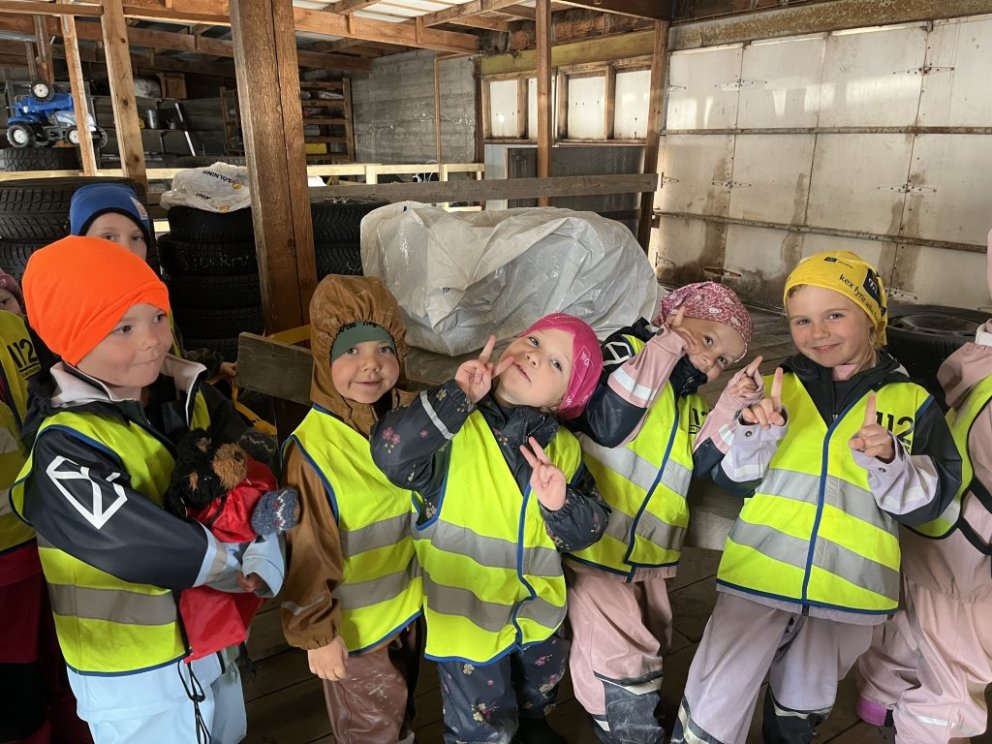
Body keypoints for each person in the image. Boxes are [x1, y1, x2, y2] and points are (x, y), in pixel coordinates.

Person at [670, 250, 961, 744]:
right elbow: (733, 479)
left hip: (849, 592)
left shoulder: (912, 402)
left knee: (802, 703)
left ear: (872, 318)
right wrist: (753, 434)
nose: (817, 332)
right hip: (758, 574)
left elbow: (932, 506)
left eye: (835, 314)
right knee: (715, 695)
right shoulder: (773, 389)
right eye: (801, 320)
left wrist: (891, 461)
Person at [8, 236, 284, 743]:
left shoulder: (188, 396)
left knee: (226, 732)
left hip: (209, 639)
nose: (153, 340)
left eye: (157, 316)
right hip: (133, 670)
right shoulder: (65, 446)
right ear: (71, 339)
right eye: (123, 328)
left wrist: (265, 539)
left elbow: (251, 467)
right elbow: (130, 539)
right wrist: (237, 565)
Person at [370, 313, 608, 744]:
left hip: (538, 619)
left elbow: (588, 530)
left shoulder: (564, 451)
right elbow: (392, 454)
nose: (535, 357)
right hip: (469, 624)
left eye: (557, 364)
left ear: (564, 399)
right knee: (481, 728)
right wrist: (456, 396)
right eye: (534, 341)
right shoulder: (450, 431)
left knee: (537, 697)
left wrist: (561, 505)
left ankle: (534, 726)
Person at [567, 282, 754, 743]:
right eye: (707, 340)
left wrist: (733, 405)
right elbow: (610, 424)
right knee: (617, 654)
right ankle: (628, 727)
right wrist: (667, 344)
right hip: (596, 547)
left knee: (651, 638)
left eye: (723, 361)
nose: (711, 362)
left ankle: (630, 709)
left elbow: (700, 461)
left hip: (649, 556)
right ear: (676, 314)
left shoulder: (688, 400)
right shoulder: (627, 351)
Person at [855, 230, 992, 742]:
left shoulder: (981, 365)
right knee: (954, 679)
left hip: (930, 529)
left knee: (909, 626)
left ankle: (879, 699)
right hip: (969, 563)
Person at [279, 274, 422, 744]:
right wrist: (317, 634)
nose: (370, 364)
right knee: (372, 730)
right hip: (354, 630)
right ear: (324, 357)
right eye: (351, 350)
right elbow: (305, 552)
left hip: (406, 610)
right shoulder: (313, 452)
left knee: (399, 712)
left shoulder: (406, 422)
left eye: (384, 349)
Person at [0, 307, 91, 744]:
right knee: (29, 677)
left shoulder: (14, 325)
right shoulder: (12, 325)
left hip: (36, 535)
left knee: (43, 669)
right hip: (34, 533)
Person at [68, 182, 237, 381]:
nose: (127, 249)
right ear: (79, 242)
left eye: (136, 237)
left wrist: (212, 365)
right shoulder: (73, 313)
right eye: (108, 237)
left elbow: (170, 357)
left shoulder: (151, 299)